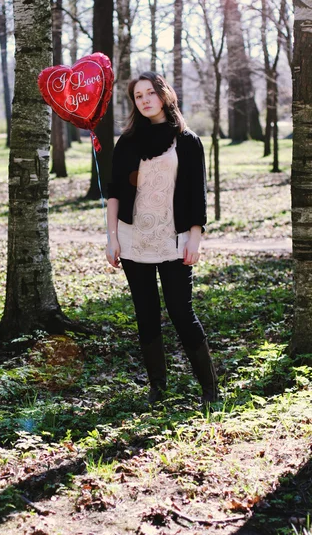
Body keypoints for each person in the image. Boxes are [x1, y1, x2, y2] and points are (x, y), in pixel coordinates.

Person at [106, 71, 218, 406]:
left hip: (174, 240)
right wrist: (112, 237)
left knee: (182, 313)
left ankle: (210, 389)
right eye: (138, 96)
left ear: (164, 95)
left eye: (150, 93)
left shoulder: (187, 140)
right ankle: (159, 387)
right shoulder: (126, 141)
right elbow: (113, 193)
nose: (144, 100)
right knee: (146, 313)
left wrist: (195, 239)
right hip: (132, 240)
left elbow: (197, 195)